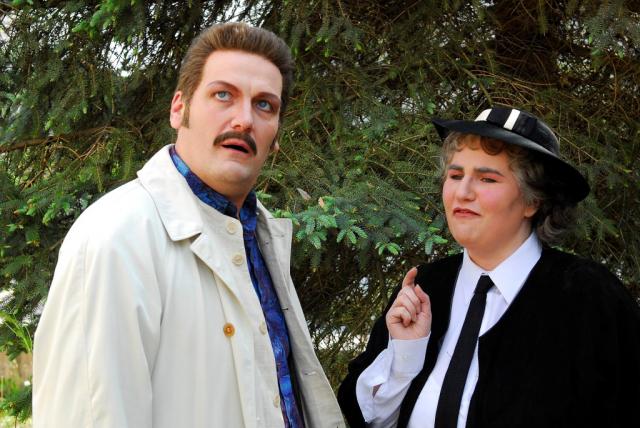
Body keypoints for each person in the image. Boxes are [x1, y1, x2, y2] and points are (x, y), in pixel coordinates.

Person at [33, 22, 344, 428]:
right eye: (223, 95)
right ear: (179, 108)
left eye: (265, 105)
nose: (244, 120)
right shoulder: (116, 237)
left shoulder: (261, 239)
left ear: (276, 135)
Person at [338, 106, 640, 428]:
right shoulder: (426, 287)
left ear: (532, 201)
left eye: (487, 179)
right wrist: (404, 357)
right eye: (455, 176)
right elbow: (367, 420)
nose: (462, 193)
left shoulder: (588, 298)